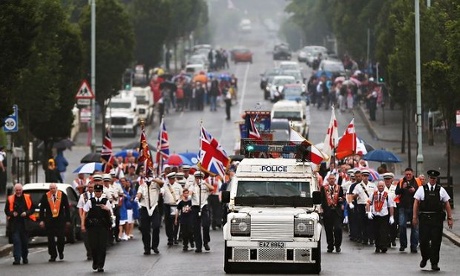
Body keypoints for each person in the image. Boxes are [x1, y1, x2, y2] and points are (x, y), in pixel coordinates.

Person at [413, 170, 453, 271]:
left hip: (436, 219)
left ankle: (434, 263)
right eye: (431, 178)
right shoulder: (422, 189)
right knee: (423, 241)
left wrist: (450, 218)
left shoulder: (441, 190)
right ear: (428, 178)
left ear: (436, 179)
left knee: (436, 242)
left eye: (434, 178)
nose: (432, 180)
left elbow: (447, 203)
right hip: (425, 219)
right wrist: (414, 217)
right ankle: (425, 257)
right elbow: (416, 203)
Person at [81, 183, 113, 273]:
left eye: (99, 191)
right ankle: (95, 261)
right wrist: (83, 224)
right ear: (94, 192)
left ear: (101, 192)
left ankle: (100, 265)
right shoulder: (90, 201)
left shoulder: (105, 201)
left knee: (102, 246)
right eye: (96, 191)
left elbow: (111, 213)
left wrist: (106, 209)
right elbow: (85, 212)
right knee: (93, 246)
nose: (98, 193)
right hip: (92, 227)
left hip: (103, 226)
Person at [39, 183, 71, 262]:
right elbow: (42, 209)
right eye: (51, 189)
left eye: (54, 188)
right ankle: (53, 255)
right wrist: (42, 220)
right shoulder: (45, 196)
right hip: (49, 221)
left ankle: (60, 251)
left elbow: (67, 208)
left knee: (61, 238)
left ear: (56, 188)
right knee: (50, 239)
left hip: (60, 220)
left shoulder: (62, 195)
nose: (52, 190)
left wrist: (68, 220)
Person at [4, 183, 35, 265]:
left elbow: (32, 209)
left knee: (24, 242)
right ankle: (17, 259)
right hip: (15, 224)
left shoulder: (27, 197)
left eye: (19, 190)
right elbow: (6, 210)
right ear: (15, 190)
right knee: (16, 241)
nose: (18, 192)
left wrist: (26, 213)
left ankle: (25, 257)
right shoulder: (10, 198)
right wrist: (12, 214)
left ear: (22, 190)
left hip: (25, 224)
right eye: (17, 190)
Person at [395, 167, 421, 252]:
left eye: (410, 174)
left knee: (415, 227)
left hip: (415, 207)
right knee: (402, 225)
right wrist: (403, 188)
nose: (408, 176)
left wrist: (414, 190)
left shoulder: (417, 181)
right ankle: (403, 244)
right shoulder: (401, 181)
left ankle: (414, 246)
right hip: (403, 207)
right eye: (407, 174)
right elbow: (396, 192)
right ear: (404, 174)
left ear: (413, 174)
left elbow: (422, 192)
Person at [137, 176, 164, 255]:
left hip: (154, 207)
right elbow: (139, 193)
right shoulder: (142, 185)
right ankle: (147, 248)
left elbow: (162, 183)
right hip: (145, 208)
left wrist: (153, 179)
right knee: (145, 229)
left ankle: (155, 246)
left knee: (156, 226)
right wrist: (137, 197)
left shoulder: (155, 184)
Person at [367, 181, 395, 253]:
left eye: (382, 186)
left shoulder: (387, 195)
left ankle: (383, 246)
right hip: (375, 216)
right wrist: (368, 212)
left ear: (384, 186)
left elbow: (391, 206)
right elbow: (368, 203)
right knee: (376, 232)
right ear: (377, 186)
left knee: (384, 232)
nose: (381, 187)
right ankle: (377, 246)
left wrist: (391, 216)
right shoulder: (373, 194)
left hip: (384, 216)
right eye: (379, 186)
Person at [190, 171, 214, 253]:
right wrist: (190, 194)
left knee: (206, 224)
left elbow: (212, 189)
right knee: (196, 227)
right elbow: (189, 194)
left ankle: (206, 242)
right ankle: (198, 246)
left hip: (204, 206)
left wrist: (205, 183)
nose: (198, 179)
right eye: (197, 178)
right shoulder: (192, 186)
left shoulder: (205, 185)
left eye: (200, 178)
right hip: (195, 207)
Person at [320, 174, 344, 253]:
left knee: (338, 229)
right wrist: (321, 208)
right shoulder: (324, 188)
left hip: (336, 212)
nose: (332, 180)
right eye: (330, 179)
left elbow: (342, 198)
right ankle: (330, 246)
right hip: (328, 212)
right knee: (328, 230)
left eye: (333, 179)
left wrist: (341, 199)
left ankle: (338, 245)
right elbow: (322, 199)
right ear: (328, 180)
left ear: (335, 179)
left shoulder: (339, 188)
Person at [162, 172, 183, 245]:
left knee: (176, 222)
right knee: (168, 223)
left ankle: (175, 237)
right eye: (170, 179)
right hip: (167, 205)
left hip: (175, 205)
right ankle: (170, 238)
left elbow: (181, 195)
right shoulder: (165, 186)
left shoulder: (178, 186)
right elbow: (162, 193)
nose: (171, 180)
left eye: (172, 179)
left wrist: (179, 202)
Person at [77, 180, 95, 260]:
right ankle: (89, 252)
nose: (90, 189)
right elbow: (80, 207)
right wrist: (81, 218)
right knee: (86, 237)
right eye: (89, 187)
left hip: (95, 218)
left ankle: (94, 251)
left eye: (91, 187)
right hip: (86, 218)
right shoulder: (83, 196)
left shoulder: (98, 195)